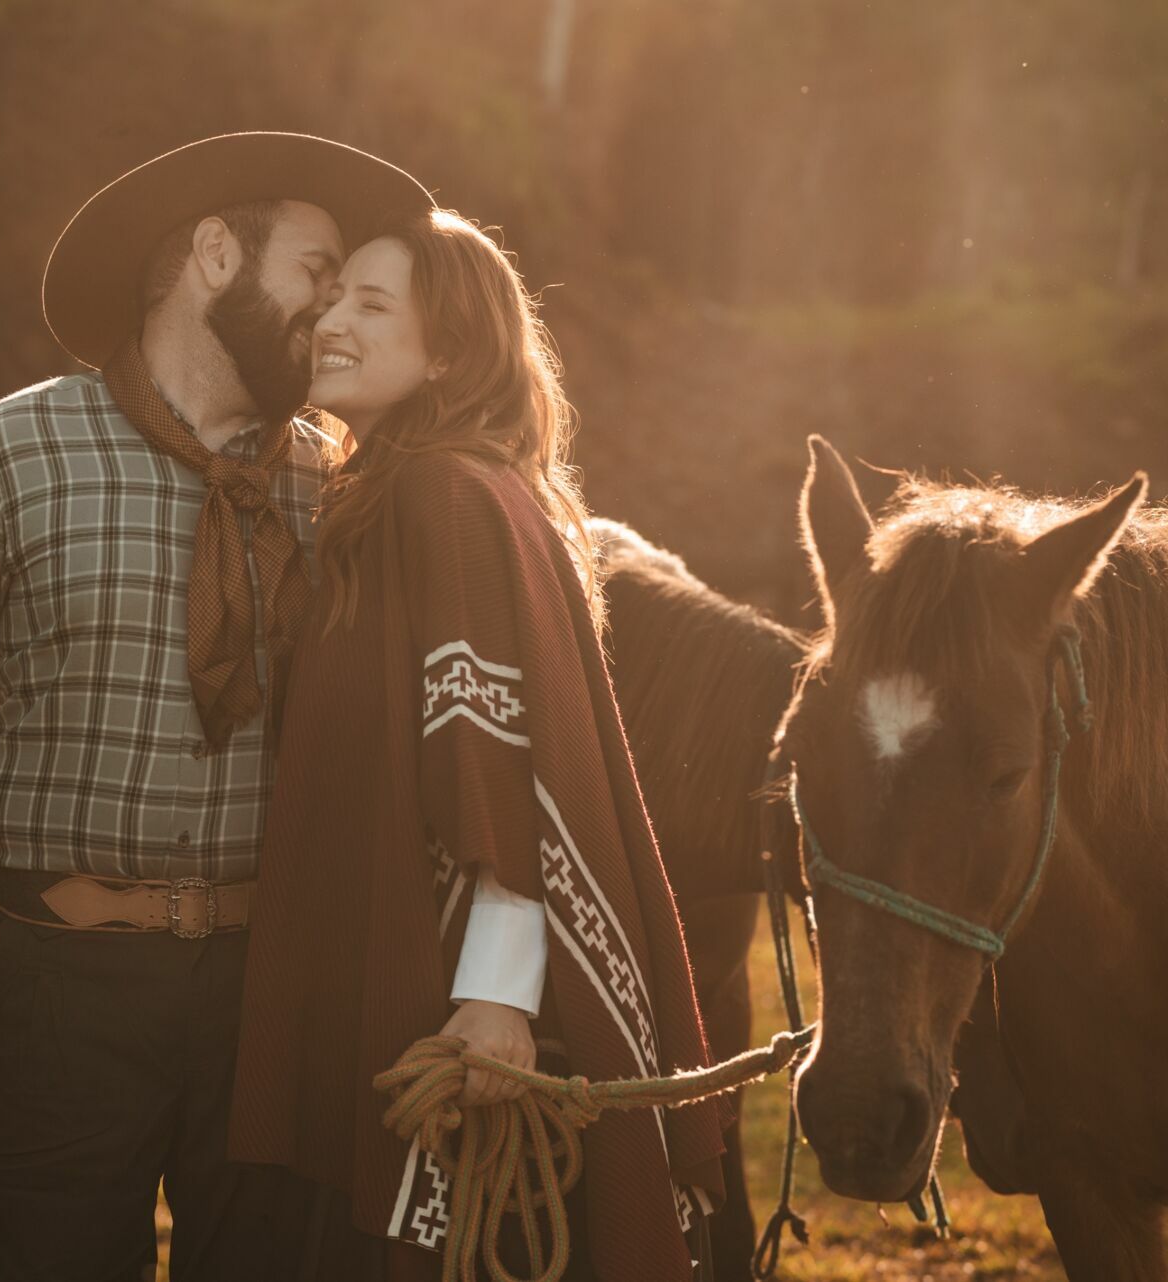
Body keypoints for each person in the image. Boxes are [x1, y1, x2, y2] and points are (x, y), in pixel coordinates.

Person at [0, 132, 432, 1281]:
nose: (330, 309)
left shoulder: (343, 480)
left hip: (276, 991)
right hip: (63, 988)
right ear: (217, 253)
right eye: (316, 268)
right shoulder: (12, 450)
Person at [228, 210, 728, 1281]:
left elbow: (496, 759)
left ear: (449, 349)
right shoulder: (419, 487)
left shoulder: (445, 494)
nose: (332, 321)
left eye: (373, 304)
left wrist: (496, 996)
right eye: (332, 297)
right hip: (404, 962)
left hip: (450, 996)